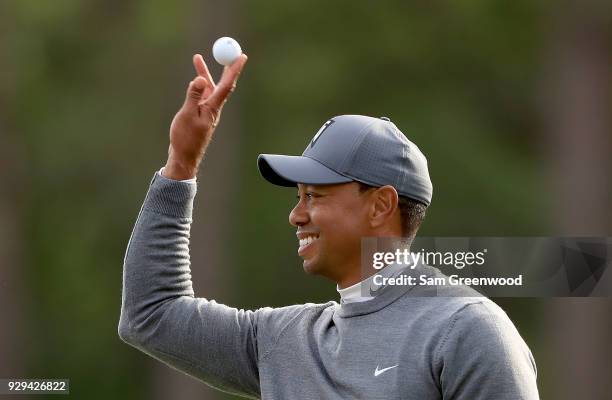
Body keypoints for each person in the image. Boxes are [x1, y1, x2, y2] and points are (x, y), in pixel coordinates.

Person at [118, 52, 540, 399]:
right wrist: (181, 164)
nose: (296, 214)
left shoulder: (467, 332)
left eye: (315, 196)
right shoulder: (285, 340)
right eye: (297, 196)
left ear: (380, 206)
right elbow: (152, 314)